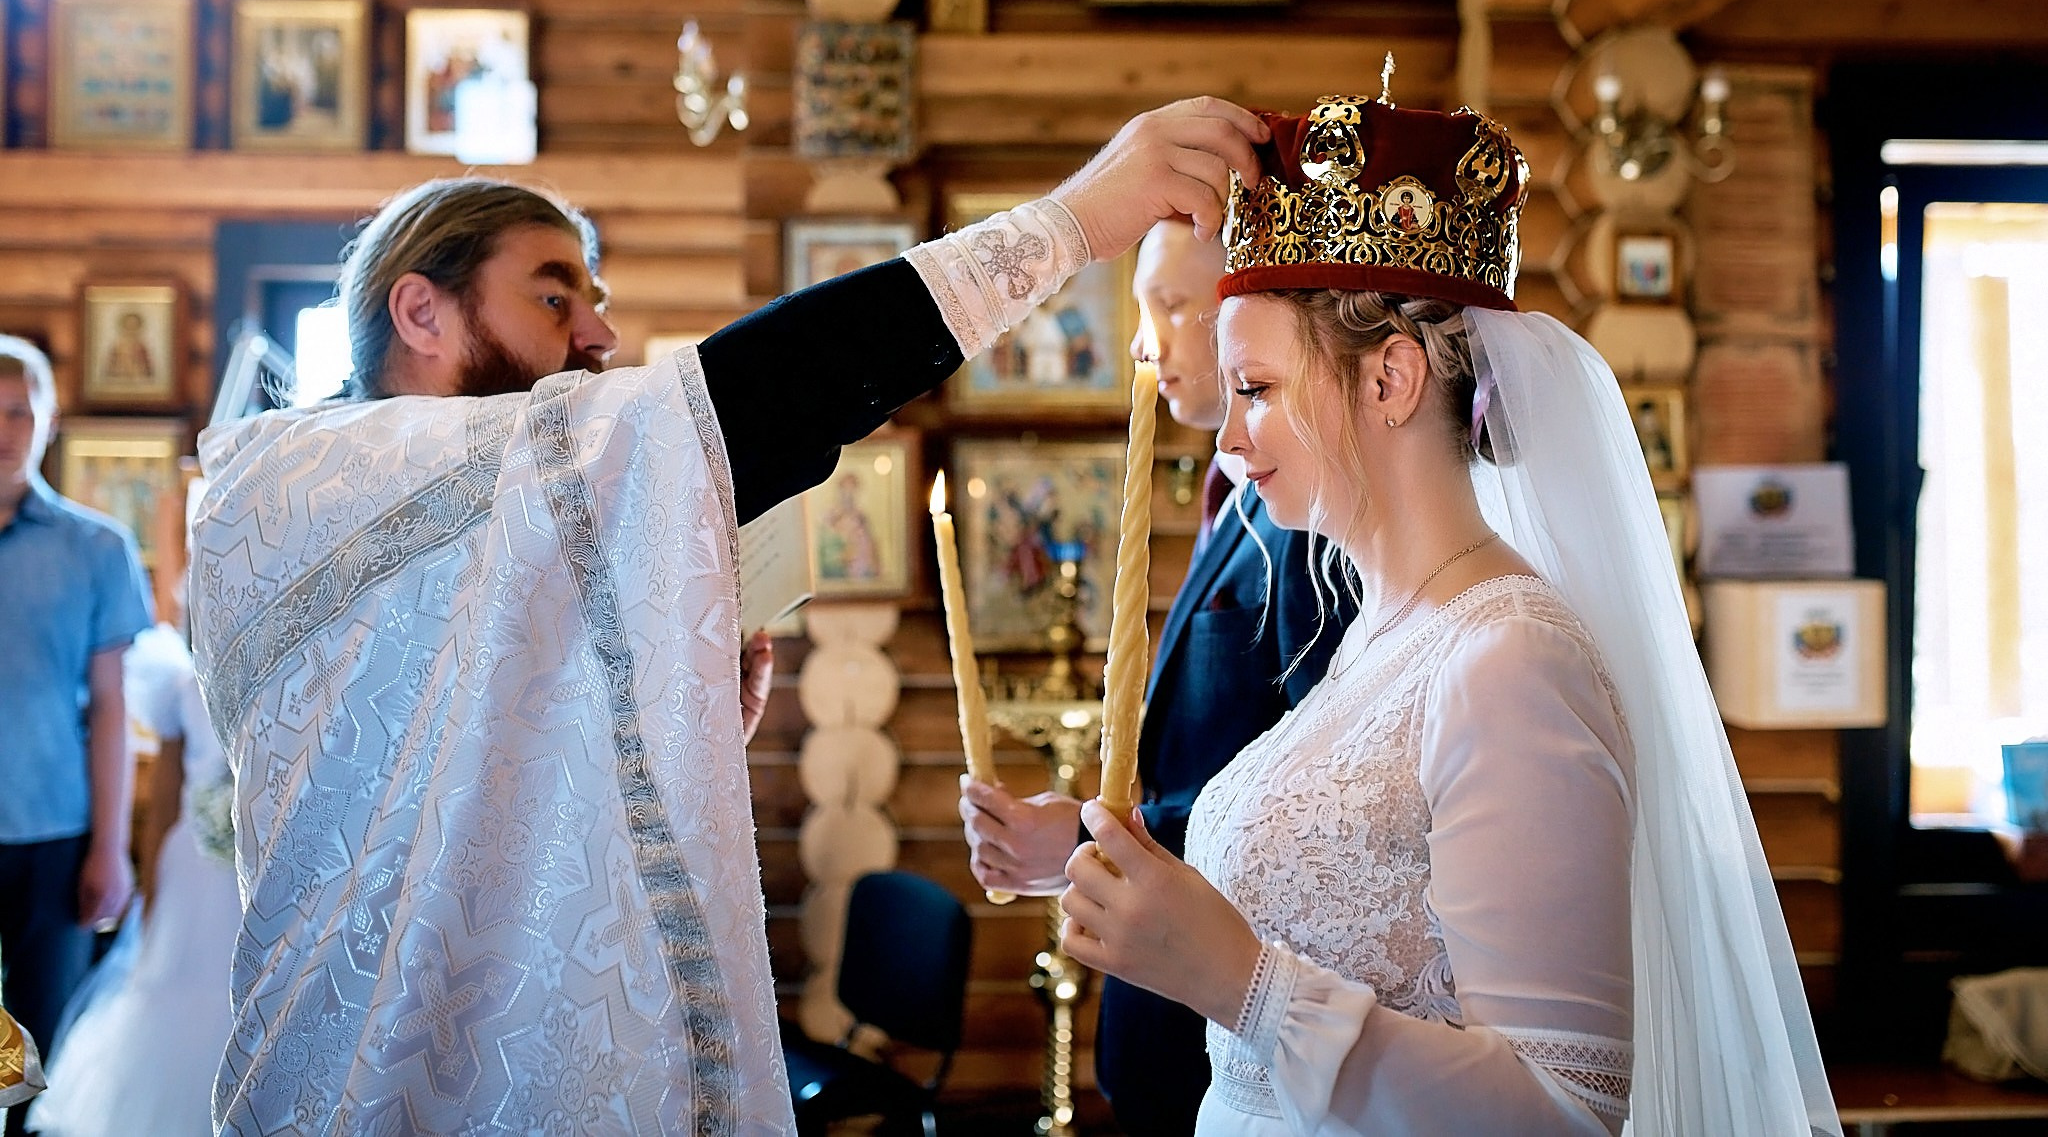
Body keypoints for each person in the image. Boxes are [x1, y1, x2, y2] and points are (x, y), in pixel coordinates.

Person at [187, 98, 1270, 1136]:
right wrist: (1076, 219)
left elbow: (475, 789)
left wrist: (678, 719)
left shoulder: (487, 523)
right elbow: (768, 392)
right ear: (420, 309)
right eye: (554, 295)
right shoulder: (298, 479)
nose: (599, 332)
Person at [1054, 95, 1839, 1135]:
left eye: (1254, 388)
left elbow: (1564, 1111)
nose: (1226, 443)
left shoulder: (1510, 661)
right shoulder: (1377, 636)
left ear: (1388, 375)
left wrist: (1237, 982)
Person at [959, 220, 1352, 1135]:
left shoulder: (1308, 529)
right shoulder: (1238, 499)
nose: (1143, 341)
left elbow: (1320, 783)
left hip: (1231, 1018)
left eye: (1173, 305)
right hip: (1169, 1018)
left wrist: (1099, 840)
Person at [0, 338, 153, 1137]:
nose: (4, 430)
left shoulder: (97, 548)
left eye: (20, 411)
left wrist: (110, 846)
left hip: (54, 836)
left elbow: (111, 706)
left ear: (49, 421)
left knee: (32, 1041)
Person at [28, 625, 238, 1137]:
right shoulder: (184, 686)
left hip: (249, 871)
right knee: (170, 975)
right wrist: (150, 891)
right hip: (191, 865)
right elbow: (166, 795)